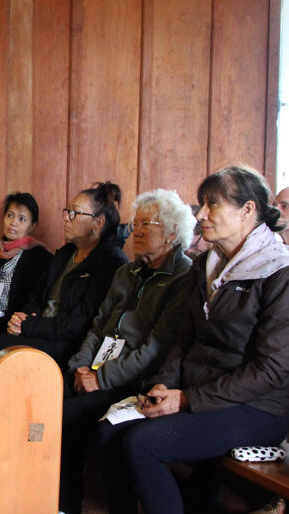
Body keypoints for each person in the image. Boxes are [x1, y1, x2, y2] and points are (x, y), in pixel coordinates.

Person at [96, 164, 289, 514]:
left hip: (257, 407)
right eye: (201, 204)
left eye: (212, 204)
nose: (201, 215)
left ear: (248, 210)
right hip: (198, 392)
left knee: (143, 444)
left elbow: (271, 371)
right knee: (110, 430)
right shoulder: (207, 265)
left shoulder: (279, 271)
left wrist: (187, 400)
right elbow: (183, 339)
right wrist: (162, 386)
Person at [58, 189, 195, 514]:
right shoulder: (126, 272)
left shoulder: (183, 277)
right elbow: (98, 325)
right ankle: (62, 505)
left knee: (71, 419)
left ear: (173, 232)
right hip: (95, 371)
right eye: (136, 224)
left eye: (149, 223)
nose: (139, 231)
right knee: (44, 399)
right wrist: (80, 366)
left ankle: (74, 505)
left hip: (133, 381)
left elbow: (154, 350)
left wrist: (99, 378)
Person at [0, 182, 128, 368]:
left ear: (98, 222)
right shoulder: (66, 253)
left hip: (68, 344)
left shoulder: (111, 261)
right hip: (40, 330)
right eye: (67, 211)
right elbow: (37, 293)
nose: (66, 218)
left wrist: (30, 325)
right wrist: (24, 316)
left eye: (75, 213)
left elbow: (79, 323)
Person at [0, 192, 51, 341]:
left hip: (11, 327)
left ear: (32, 226)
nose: (13, 222)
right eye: (10, 215)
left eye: (22, 219)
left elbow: (33, 301)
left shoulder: (39, 257)